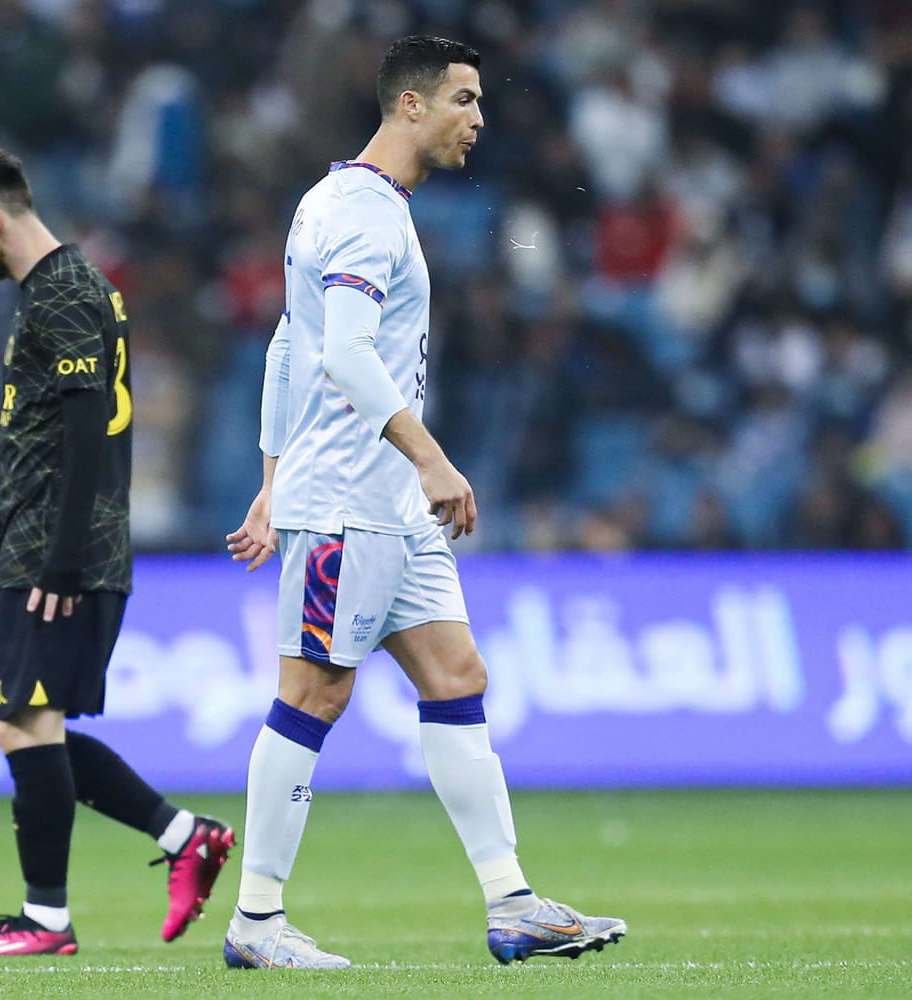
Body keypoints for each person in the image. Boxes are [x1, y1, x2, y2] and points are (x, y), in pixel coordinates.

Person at [222, 36, 626, 969]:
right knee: (313, 693)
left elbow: (291, 345)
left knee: (456, 676)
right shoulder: (365, 218)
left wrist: (272, 474)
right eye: (464, 100)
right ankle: (257, 921)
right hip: (353, 501)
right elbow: (344, 354)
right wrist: (431, 461)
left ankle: (513, 903)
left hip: (383, 502)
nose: (478, 120)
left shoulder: (329, 202)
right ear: (411, 107)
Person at [0, 147, 234, 957]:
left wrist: (61, 558)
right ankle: (182, 838)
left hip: (64, 553)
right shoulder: (66, 290)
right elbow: (51, 435)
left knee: (24, 723)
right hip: (42, 537)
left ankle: (47, 921)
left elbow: (88, 430)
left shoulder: (62, 292)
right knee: (30, 725)